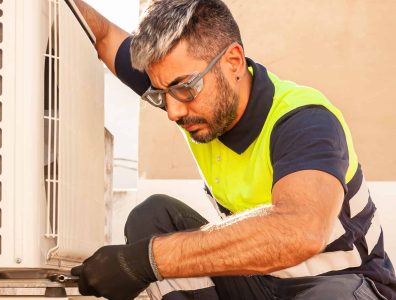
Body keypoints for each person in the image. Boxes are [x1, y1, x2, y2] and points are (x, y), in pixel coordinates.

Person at [70, 0, 396, 299]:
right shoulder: (179, 87)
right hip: (258, 282)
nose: (173, 111)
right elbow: (102, 36)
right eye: (160, 94)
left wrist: (145, 260)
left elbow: (301, 231)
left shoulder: (305, 122)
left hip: (344, 284)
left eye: (185, 88)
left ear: (233, 61)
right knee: (153, 215)